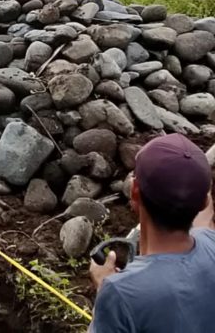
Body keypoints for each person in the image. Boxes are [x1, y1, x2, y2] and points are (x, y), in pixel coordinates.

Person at [88, 133, 215, 333]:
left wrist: (103, 286)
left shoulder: (119, 294)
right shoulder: (210, 241)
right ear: (204, 202)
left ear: (134, 191)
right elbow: (204, 218)